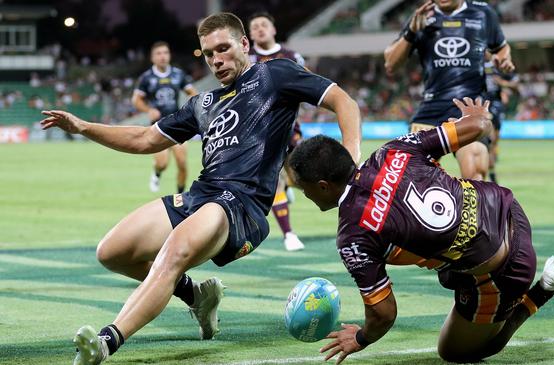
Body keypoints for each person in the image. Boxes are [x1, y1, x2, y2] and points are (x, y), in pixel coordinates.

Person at [40, 12, 361, 365]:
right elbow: (144, 138)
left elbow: (343, 101)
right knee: (111, 252)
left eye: (223, 49)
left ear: (243, 44)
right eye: (208, 53)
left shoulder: (275, 75)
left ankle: (105, 341)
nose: (216, 59)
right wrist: (84, 127)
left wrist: (352, 167)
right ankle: (196, 295)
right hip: (201, 195)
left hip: (242, 204)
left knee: (174, 253)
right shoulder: (202, 104)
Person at [288, 97, 554, 364]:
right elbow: (480, 125)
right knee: (447, 269)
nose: (305, 195)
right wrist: (477, 117)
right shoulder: (393, 149)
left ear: (323, 186)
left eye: (304, 189)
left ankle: (543, 290)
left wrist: (361, 338)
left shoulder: (352, 235)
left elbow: (384, 314)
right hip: (508, 207)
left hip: (506, 269)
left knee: (457, 351)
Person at [384, 0, 515, 181]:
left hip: (469, 106)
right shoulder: (422, 16)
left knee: (475, 172)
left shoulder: (483, 13)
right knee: (409, 175)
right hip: (431, 107)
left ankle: (470, 209)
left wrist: (503, 59)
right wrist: (411, 31)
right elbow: (390, 64)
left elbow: (501, 48)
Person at [248, 11, 307, 251]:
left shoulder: (292, 56)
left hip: (291, 129)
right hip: (261, 133)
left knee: (304, 175)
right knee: (275, 182)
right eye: (255, 27)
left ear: (273, 29)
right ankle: (289, 234)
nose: (260, 29)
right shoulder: (246, 59)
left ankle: (290, 184)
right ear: (250, 35)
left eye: (264, 24)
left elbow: (307, 85)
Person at [132, 41, 198, 193]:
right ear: (152, 57)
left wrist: (190, 106)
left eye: (165, 53)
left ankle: (180, 196)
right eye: (158, 53)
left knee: (182, 163)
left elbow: (193, 93)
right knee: (162, 163)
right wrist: (149, 110)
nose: (162, 56)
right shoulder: (147, 77)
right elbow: (135, 100)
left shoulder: (178, 74)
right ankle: (156, 173)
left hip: (177, 124)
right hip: (158, 126)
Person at [484, 56, 519, 184]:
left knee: (493, 143)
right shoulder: (474, 63)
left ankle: (492, 175)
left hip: (496, 106)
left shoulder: (499, 66)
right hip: (481, 106)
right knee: (488, 142)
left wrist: (503, 84)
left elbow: (516, 85)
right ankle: (489, 178)